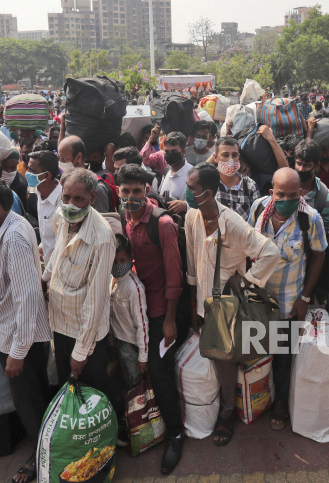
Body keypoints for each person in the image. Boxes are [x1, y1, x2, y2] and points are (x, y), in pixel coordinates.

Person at [184, 163, 280, 447]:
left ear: (208, 192)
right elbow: (192, 258)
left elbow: (269, 252)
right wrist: (194, 304)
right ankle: (226, 404)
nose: (188, 193)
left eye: (193, 189)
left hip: (228, 304)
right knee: (219, 357)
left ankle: (228, 413)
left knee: (228, 357)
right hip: (205, 302)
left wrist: (248, 280)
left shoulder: (233, 223)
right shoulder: (192, 217)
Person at [0, 177, 51, 483]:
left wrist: (18, 352)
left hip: (18, 338)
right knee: (30, 397)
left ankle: (41, 455)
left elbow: (28, 297)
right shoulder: (5, 226)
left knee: (29, 400)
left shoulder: (14, 237)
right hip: (7, 330)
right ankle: (40, 442)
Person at [248, 168, 327, 431]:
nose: (286, 199)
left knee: (283, 355)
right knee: (258, 349)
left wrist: (305, 297)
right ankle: (257, 396)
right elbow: (246, 243)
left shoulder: (310, 218)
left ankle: (280, 401)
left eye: (293, 195)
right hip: (258, 298)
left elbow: (318, 256)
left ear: (301, 193)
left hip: (289, 301)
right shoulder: (259, 209)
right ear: (272, 192)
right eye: (280, 194)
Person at [117, 164, 184, 472]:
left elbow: (175, 276)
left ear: (146, 190)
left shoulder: (163, 223)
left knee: (159, 372)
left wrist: (170, 319)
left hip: (159, 312)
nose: (131, 196)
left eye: (136, 191)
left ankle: (175, 434)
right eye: (126, 191)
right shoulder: (123, 220)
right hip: (136, 310)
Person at [45, 167, 118, 403]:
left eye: (79, 199)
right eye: (66, 197)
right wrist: (44, 278)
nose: (70, 204)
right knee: (71, 389)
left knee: (95, 390)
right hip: (60, 323)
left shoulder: (102, 238)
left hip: (85, 333)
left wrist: (81, 351)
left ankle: (113, 432)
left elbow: (96, 301)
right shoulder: (61, 216)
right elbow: (57, 254)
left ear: (92, 198)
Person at [109, 233, 149, 390]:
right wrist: (112, 342)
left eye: (122, 261)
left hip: (132, 348)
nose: (118, 265)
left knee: (135, 387)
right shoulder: (111, 281)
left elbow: (142, 325)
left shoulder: (134, 288)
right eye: (114, 261)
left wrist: (143, 358)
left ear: (130, 258)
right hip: (119, 343)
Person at [26, 150, 62, 283]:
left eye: (31, 170)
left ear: (46, 175)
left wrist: (44, 279)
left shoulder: (62, 203)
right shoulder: (38, 193)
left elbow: (60, 248)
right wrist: (41, 247)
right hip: (47, 268)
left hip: (58, 274)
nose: (27, 173)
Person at [142, 127, 190, 212]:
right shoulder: (168, 170)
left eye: (174, 151)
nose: (170, 154)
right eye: (167, 152)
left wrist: (186, 205)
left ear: (184, 152)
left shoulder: (192, 175)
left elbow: (204, 204)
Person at [212, 136, 260, 219]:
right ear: (215, 158)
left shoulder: (249, 185)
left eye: (234, 155)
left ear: (239, 156)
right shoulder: (208, 183)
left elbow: (258, 217)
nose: (231, 160)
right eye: (225, 155)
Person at [294, 140, 329, 232]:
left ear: (317, 166)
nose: (301, 169)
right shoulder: (285, 185)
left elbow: (323, 232)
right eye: (299, 163)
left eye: (307, 165)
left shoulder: (324, 198)